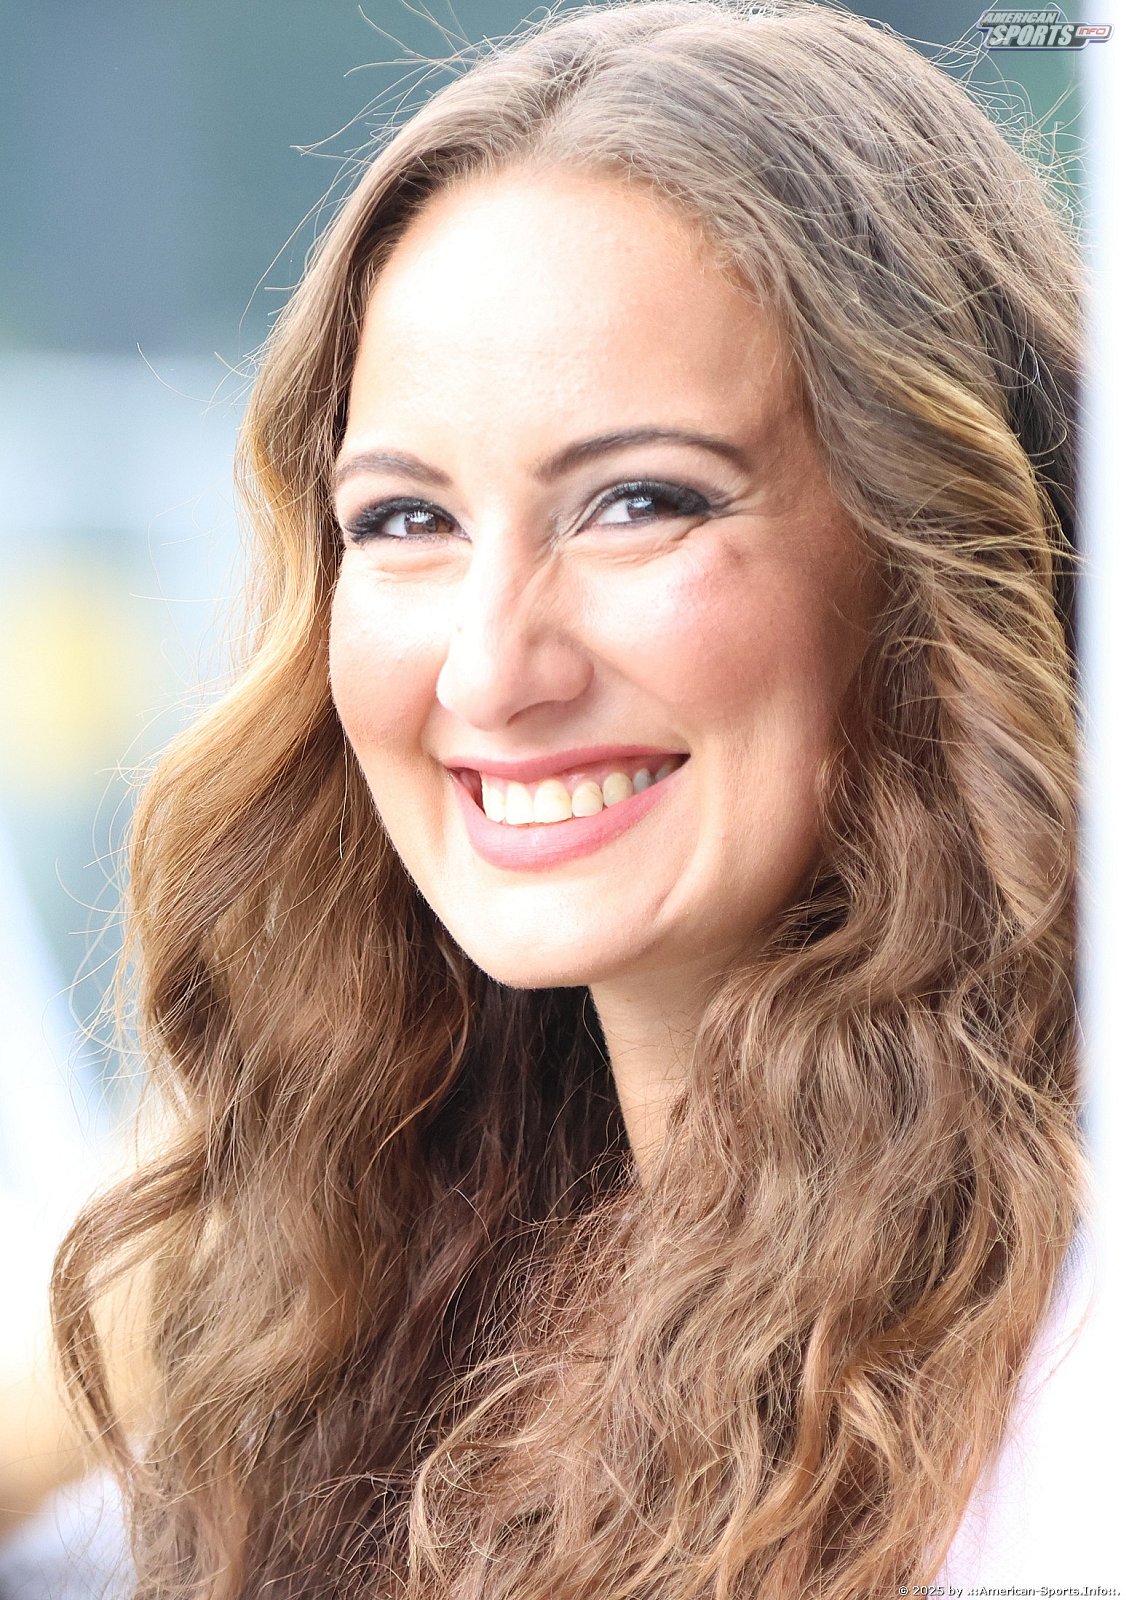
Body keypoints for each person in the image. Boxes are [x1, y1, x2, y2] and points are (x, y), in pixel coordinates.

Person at [49, 1, 1090, 1594]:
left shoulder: (1069, 1355)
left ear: (936, 546)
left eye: (637, 501)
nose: (489, 671)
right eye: (405, 520)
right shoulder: (348, 1265)